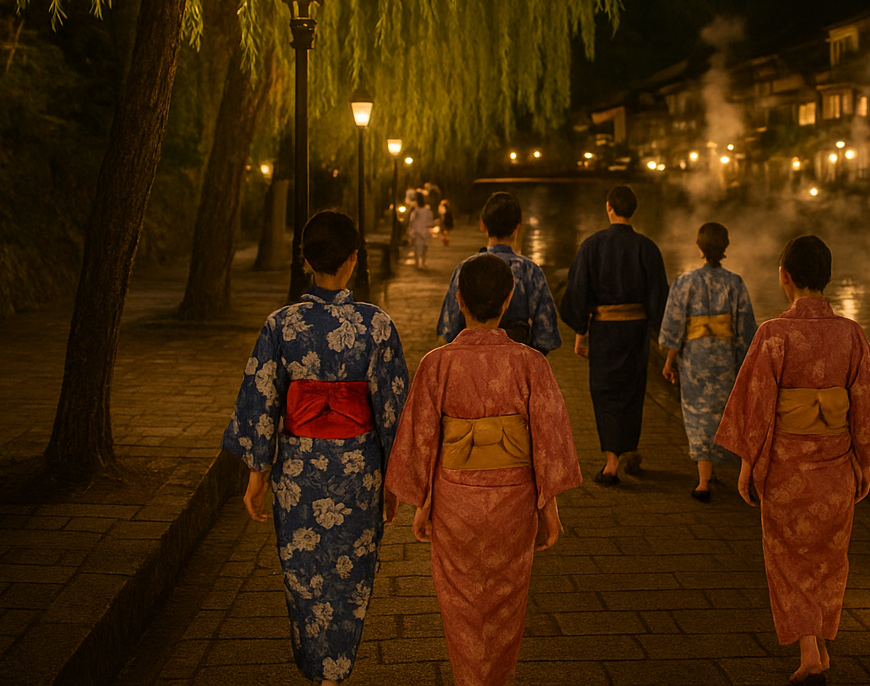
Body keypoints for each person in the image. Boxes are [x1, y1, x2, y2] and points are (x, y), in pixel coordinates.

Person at [222, 210, 412, 686]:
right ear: (353, 260)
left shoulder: (281, 326)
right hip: (359, 470)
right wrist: (395, 480)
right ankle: (335, 672)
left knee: (305, 573)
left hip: (300, 472)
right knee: (350, 577)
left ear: (306, 260)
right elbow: (394, 411)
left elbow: (261, 400)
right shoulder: (377, 326)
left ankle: (318, 670)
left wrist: (256, 474)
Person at [386, 253, 582, 686]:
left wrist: (422, 504)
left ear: (458, 300)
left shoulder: (437, 364)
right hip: (513, 500)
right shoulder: (531, 364)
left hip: (455, 501)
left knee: (460, 603)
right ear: (509, 300)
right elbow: (551, 441)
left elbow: (422, 442)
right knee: (507, 602)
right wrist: (548, 508)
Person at [715, 234, 870, 686]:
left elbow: (756, 407)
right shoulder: (851, 334)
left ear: (785, 278)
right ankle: (819, 640)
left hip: (784, 466)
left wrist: (746, 464)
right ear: (828, 279)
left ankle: (809, 648)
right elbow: (864, 401)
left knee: (787, 557)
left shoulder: (774, 334)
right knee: (830, 559)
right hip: (835, 463)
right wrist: (864, 460)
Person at [558, 184, 667, 484]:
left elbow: (578, 293)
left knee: (605, 391)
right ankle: (628, 449)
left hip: (604, 330)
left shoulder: (591, 246)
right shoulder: (647, 248)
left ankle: (611, 462)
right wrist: (665, 340)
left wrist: (582, 332)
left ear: (609, 207)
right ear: (633, 210)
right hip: (636, 330)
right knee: (633, 389)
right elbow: (658, 295)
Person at [658, 221, 757, 501]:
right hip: (725, 360)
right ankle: (740, 474)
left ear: (699, 247)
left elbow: (674, 326)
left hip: (695, 361)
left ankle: (703, 480)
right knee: (727, 414)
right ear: (725, 248)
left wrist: (669, 360)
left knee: (698, 416)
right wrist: (741, 362)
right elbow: (745, 329)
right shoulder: (735, 283)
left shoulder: (685, 282)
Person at [437, 192, 559, 353]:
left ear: (482, 225)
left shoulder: (465, 269)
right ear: (518, 227)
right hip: (517, 363)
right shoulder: (531, 271)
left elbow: (449, 328)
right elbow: (546, 333)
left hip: (471, 362)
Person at [407, 194, 435, 270]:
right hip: (424, 231)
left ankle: (418, 263)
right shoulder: (427, 211)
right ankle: (422, 262)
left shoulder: (415, 211)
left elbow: (411, 222)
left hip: (417, 231)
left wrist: (410, 229)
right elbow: (430, 221)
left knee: (417, 248)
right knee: (424, 248)